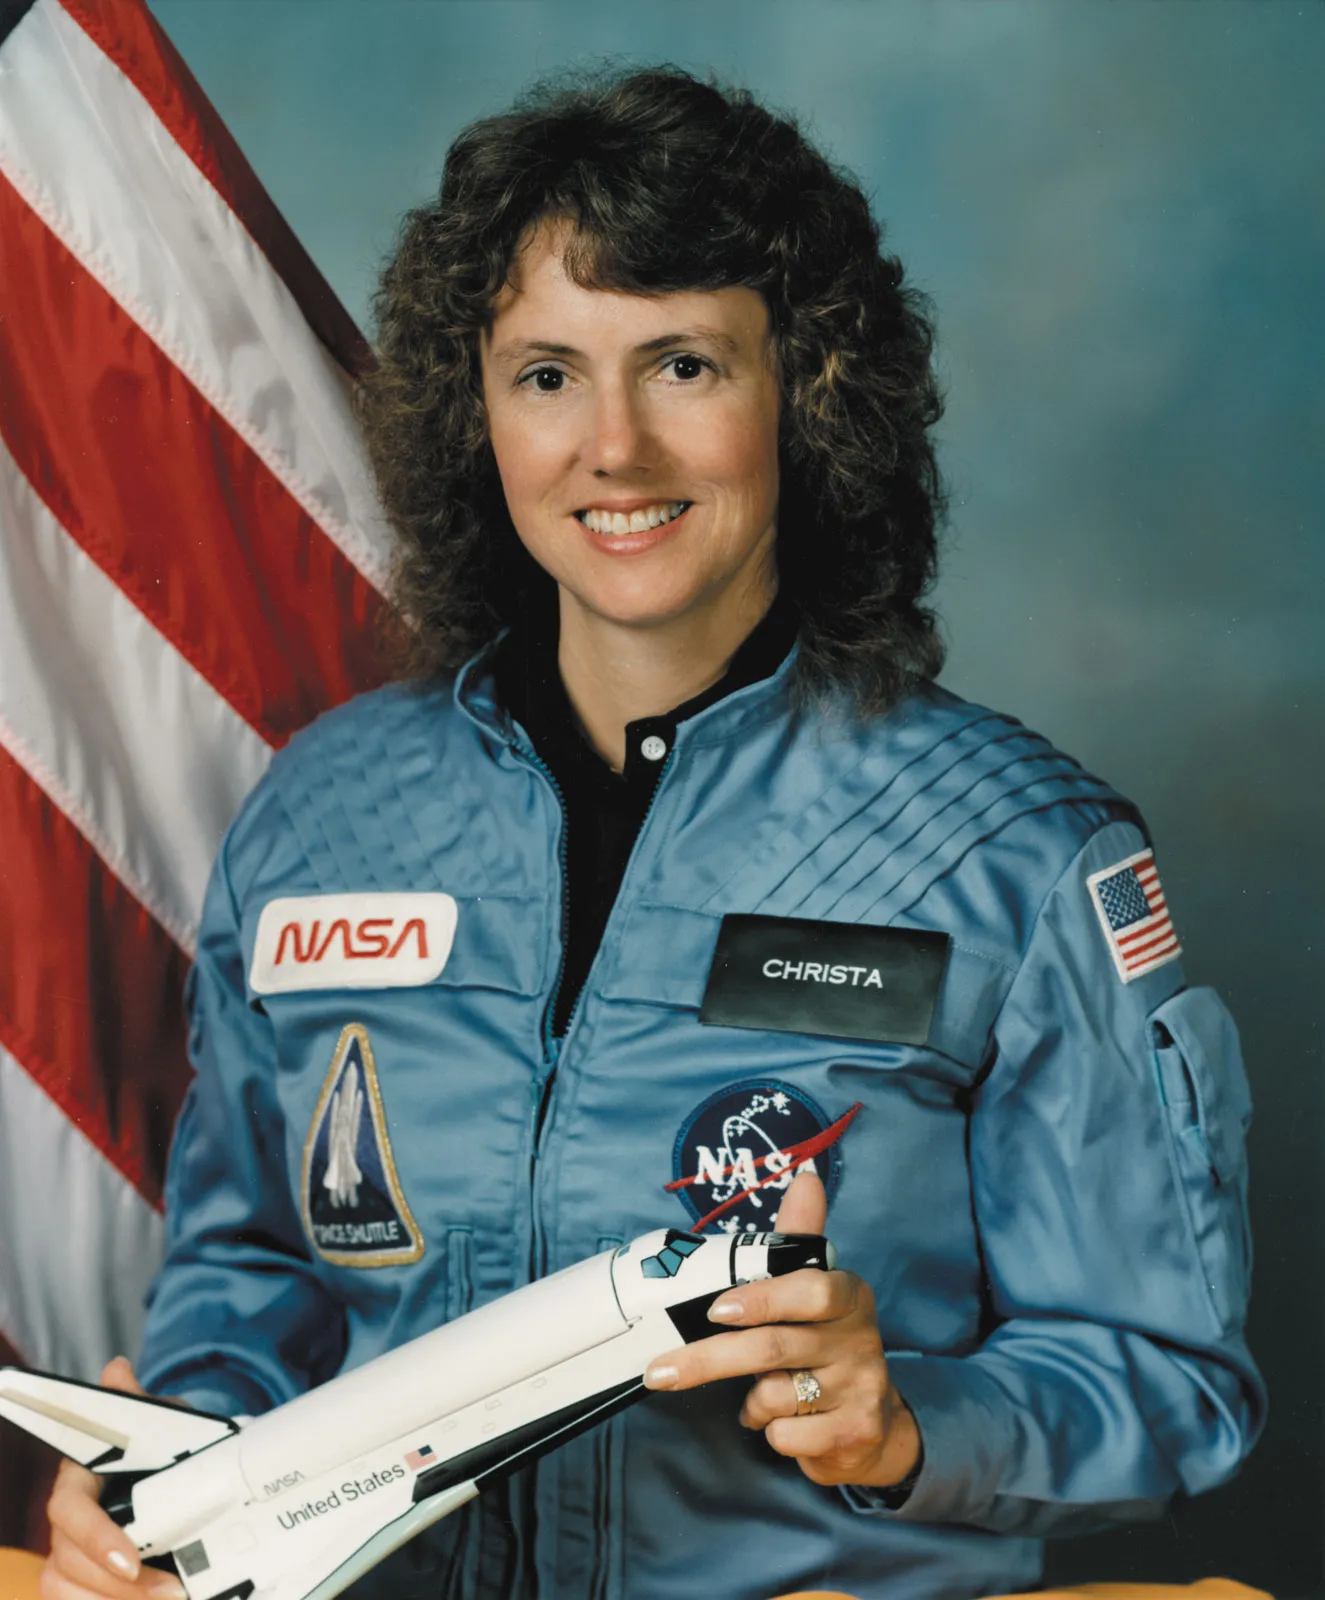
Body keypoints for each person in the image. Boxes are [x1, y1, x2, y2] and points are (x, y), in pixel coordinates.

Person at [44, 67, 1264, 1600]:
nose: (612, 448)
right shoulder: (323, 818)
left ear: (808, 392)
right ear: (470, 409)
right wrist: (178, 1467)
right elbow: (254, 1286)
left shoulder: (1012, 853)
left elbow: (1172, 1382)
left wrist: (905, 1423)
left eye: (683, 364)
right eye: (546, 374)